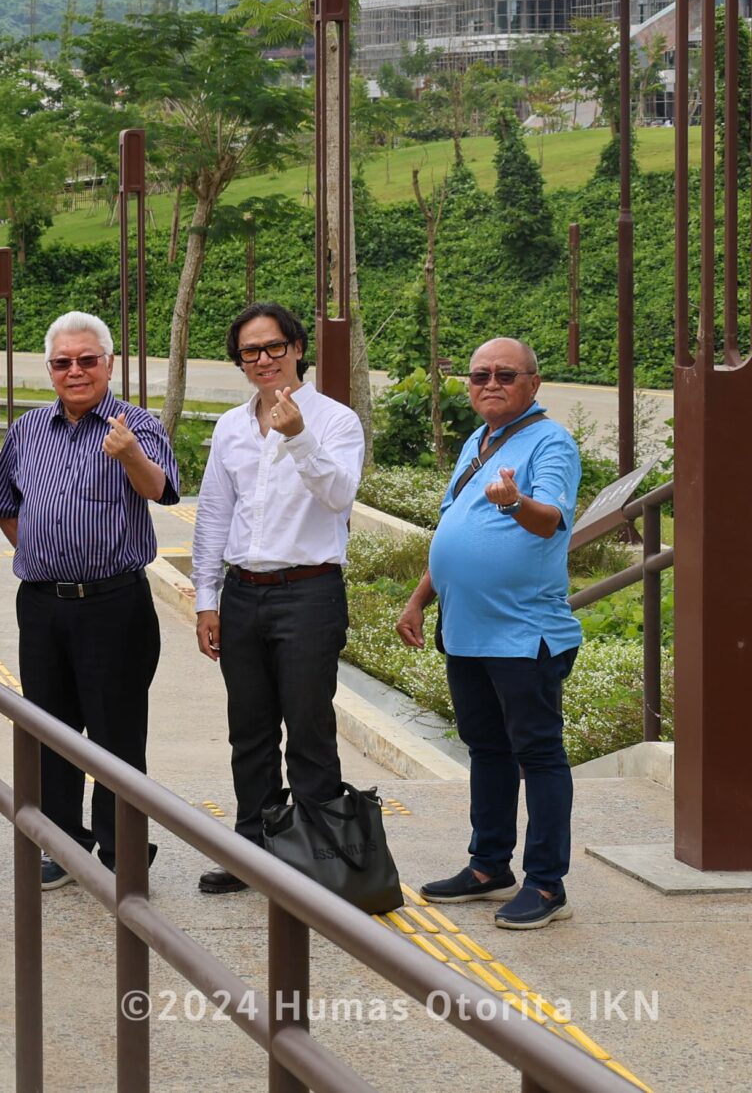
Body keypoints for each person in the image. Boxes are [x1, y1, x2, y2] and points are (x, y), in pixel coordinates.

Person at [0, 310, 180, 890]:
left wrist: (128, 456)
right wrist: (44, 555)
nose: (75, 371)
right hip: (42, 605)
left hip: (113, 605)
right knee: (50, 727)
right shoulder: (28, 429)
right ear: (49, 369)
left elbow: (162, 491)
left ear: (108, 364)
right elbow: (4, 503)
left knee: (117, 730)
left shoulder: (134, 426)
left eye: (87, 360)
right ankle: (61, 842)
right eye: (63, 362)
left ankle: (123, 847)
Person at [397, 337, 582, 931]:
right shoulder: (480, 441)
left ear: (533, 382)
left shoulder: (550, 442)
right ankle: (488, 865)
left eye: (505, 374)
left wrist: (514, 503)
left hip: (524, 633)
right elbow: (456, 524)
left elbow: (549, 519)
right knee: (486, 749)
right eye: (479, 376)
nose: (490, 383)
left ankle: (547, 884)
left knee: (539, 755)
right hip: (468, 630)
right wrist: (420, 598)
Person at [191, 303, 365, 895]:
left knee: (310, 728)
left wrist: (298, 438)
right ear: (239, 361)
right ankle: (253, 850)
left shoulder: (336, 422)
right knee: (250, 730)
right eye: (249, 352)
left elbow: (340, 496)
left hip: (309, 592)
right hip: (243, 593)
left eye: (273, 347)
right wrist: (206, 599)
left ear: (296, 347)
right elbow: (215, 514)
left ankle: (318, 861)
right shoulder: (231, 427)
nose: (263, 360)